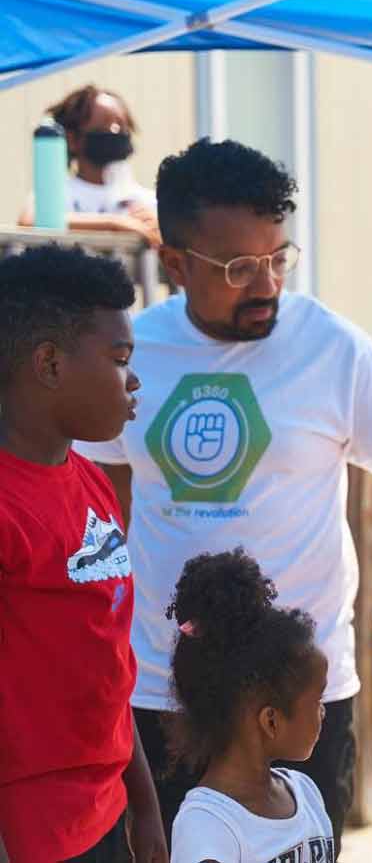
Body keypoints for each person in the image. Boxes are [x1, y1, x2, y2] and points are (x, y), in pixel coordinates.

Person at [76, 138, 372, 850]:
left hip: (300, 696)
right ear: (174, 264)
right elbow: (102, 517)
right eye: (237, 266)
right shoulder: (130, 353)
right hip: (165, 694)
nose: (265, 284)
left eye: (277, 258)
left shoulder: (334, 348)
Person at [0, 246, 167, 862]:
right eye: (120, 359)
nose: (134, 380)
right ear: (48, 363)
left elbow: (110, 664)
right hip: (29, 836)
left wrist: (144, 806)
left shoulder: (93, 481)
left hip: (106, 816)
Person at [164, 549, 333, 863]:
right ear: (271, 721)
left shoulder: (306, 793)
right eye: (317, 701)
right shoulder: (208, 826)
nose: (324, 712)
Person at [18, 85, 161, 246]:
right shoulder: (57, 194)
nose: (115, 130)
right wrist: (115, 224)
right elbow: (29, 220)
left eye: (122, 125)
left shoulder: (146, 201)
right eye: (105, 123)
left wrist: (158, 229)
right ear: (72, 140)